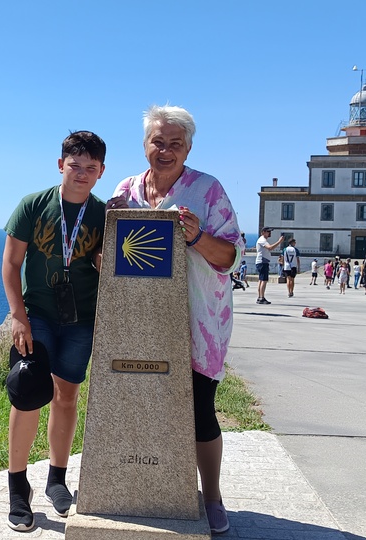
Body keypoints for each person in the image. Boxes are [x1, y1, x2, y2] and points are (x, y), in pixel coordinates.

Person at [107, 105, 244, 535]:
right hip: (139, 323)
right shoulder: (126, 190)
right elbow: (107, 259)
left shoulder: (208, 190)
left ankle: (213, 496)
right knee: (139, 405)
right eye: (158, 141)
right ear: (144, 145)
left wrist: (197, 236)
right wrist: (109, 223)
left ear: (188, 149)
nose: (165, 150)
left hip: (199, 322)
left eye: (175, 144)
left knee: (201, 412)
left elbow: (232, 257)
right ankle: (144, 486)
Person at [1, 131, 108, 531]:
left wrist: (102, 259)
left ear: (101, 172)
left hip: (82, 319)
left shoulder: (103, 214)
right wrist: (18, 316)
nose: (82, 174)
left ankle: (56, 480)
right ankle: (17, 488)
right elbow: (11, 264)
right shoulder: (33, 205)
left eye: (90, 168)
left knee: (66, 397)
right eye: (75, 166)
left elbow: (111, 263)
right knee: (27, 392)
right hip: (39, 316)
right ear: (61, 164)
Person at [254, 227, 285, 304]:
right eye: (268, 231)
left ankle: (260, 297)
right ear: (263, 232)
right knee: (264, 280)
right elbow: (270, 248)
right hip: (262, 262)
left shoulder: (262, 240)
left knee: (261, 280)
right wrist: (279, 242)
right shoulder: (262, 240)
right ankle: (262, 297)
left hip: (262, 262)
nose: (269, 233)